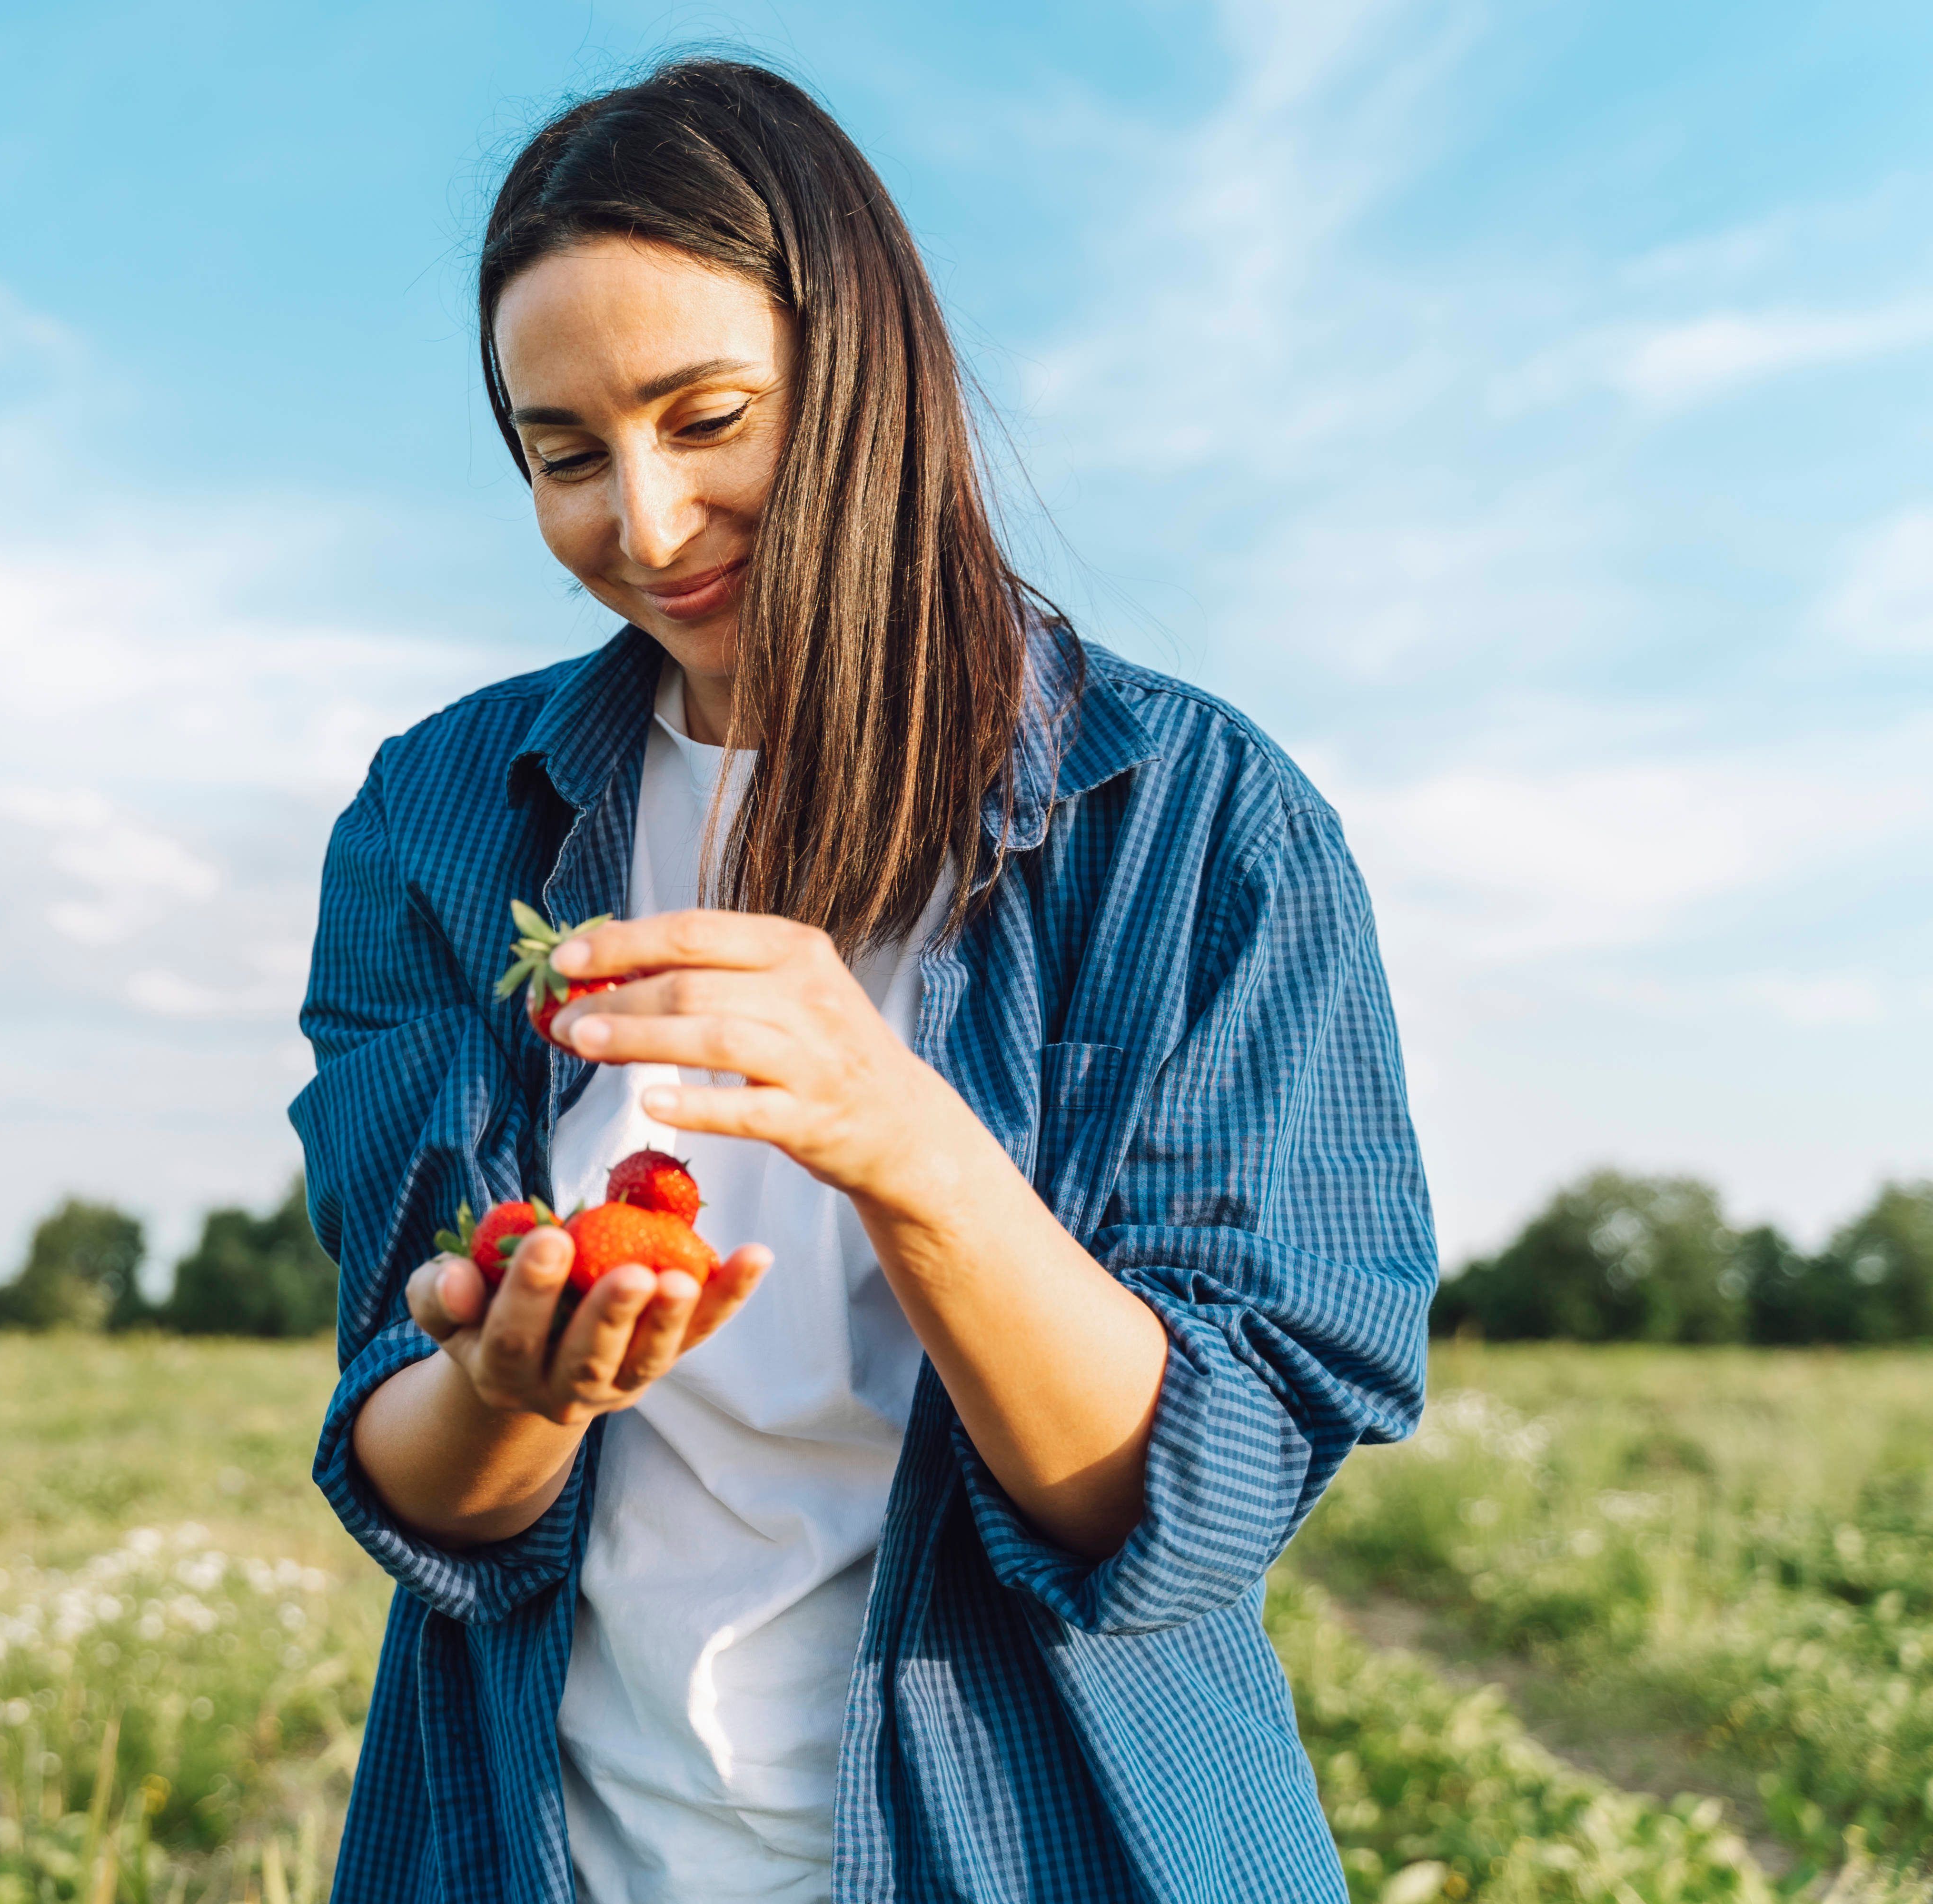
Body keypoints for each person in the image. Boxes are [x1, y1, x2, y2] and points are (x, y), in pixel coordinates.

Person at [290, 57, 1433, 1904]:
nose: (644, 525)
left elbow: (1180, 1513)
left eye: (708, 415)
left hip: (1044, 1842)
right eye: (566, 454)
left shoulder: (1191, 822)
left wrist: (906, 1140)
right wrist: (512, 1382)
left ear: (865, 378)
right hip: (551, 1848)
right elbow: (426, 1489)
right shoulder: (444, 820)